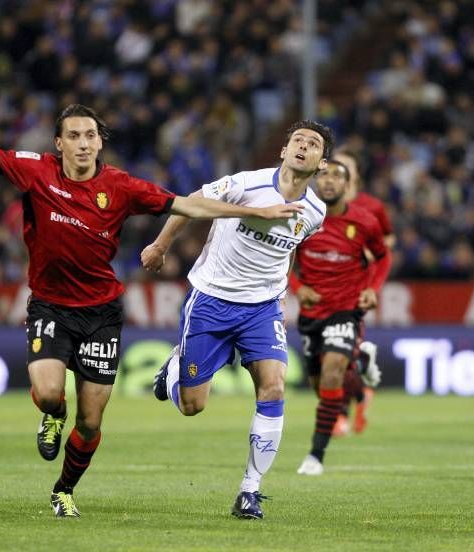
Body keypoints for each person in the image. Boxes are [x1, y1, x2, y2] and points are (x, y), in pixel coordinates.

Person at [0, 71, 302, 519]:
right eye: (73, 135)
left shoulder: (120, 186)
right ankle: (52, 413)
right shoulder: (35, 170)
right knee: (49, 391)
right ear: (58, 143)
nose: (82, 143)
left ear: (100, 143)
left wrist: (256, 210)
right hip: (50, 306)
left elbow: (188, 204)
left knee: (92, 421)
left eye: (90, 135)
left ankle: (64, 491)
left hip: (101, 312)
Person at [142, 120, 334, 519]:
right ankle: (175, 369)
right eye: (297, 140)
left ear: (321, 164)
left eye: (312, 144)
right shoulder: (246, 183)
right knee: (193, 406)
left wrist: (282, 290)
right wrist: (160, 246)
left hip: (262, 308)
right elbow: (190, 202)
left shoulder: (316, 212)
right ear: (283, 151)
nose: (303, 146)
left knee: (274, 387)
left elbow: (290, 248)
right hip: (212, 299)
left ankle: (250, 489)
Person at [289, 160, 390, 477]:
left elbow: (383, 256)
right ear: (316, 183)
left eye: (338, 176)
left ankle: (315, 456)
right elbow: (285, 260)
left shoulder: (364, 221)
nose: (330, 181)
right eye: (324, 175)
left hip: (346, 308)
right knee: (323, 388)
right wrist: (298, 287)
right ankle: (359, 371)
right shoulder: (301, 217)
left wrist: (373, 289)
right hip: (311, 313)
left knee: (333, 373)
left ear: (348, 186)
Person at [331, 147, 395, 436]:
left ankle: (340, 415)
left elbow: (387, 240)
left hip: (357, 288)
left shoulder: (372, 207)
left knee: (340, 353)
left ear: (355, 175)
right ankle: (359, 394)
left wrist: (368, 254)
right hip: (327, 287)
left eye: (345, 167)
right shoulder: (323, 204)